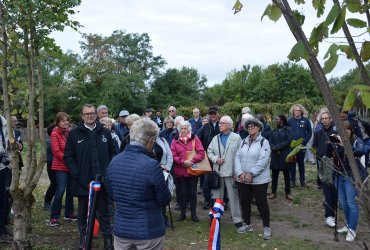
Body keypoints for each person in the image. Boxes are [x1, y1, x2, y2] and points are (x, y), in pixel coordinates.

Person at [105, 118, 171, 249]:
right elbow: (164, 199)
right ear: (151, 140)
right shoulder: (152, 165)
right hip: (148, 230)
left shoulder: (114, 161)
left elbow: (112, 193)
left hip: (122, 229)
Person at [64, 104, 115, 250]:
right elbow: (68, 156)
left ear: (96, 115)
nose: (90, 116)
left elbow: (112, 153)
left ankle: (108, 239)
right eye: (86, 114)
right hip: (83, 182)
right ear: (82, 116)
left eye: (92, 113)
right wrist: (77, 173)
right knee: (83, 212)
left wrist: (108, 171)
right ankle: (84, 239)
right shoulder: (74, 134)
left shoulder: (105, 132)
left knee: (104, 211)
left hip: (102, 181)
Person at [234, 117, 272, 240]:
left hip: (259, 180)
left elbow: (263, 160)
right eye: (248, 127)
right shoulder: (243, 141)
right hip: (243, 178)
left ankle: (266, 227)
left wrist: (251, 173)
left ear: (259, 128)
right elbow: (237, 157)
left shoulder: (263, 142)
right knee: (244, 201)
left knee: (261, 202)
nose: (250, 128)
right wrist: (240, 173)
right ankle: (248, 224)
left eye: (253, 126)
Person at [207, 116, 244, 233]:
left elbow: (240, 156)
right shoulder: (216, 138)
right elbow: (209, 151)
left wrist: (237, 172)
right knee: (217, 197)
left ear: (229, 125)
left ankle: (237, 220)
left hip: (231, 173)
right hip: (218, 172)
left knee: (234, 197)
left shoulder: (236, 138)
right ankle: (215, 218)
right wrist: (215, 159)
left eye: (222, 123)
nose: (219, 125)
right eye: (219, 123)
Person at [333, 121, 363, 242]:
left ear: (351, 130)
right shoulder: (337, 140)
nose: (345, 132)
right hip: (338, 175)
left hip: (350, 176)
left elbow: (362, 151)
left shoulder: (356, 141)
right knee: (343, 203)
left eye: (347, 130)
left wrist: (345, 146)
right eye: (342, 130)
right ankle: (348, 225)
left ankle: (352, 229)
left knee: (352, 203)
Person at [171, 120, 205, 222]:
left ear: (189, 129)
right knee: (182, 193)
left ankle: (194, 214)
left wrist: (192, 161)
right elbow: (172, 155)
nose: (184, 130)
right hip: (180, 171)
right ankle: (182, 213)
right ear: (179, 129)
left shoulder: (195, 138)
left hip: (192, 171)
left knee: (192, 193)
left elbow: (201, 153)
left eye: (185, 128)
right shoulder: (175, 140)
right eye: (181, 128)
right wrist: (182, 162)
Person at [49, 112, 77, 226]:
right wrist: (68, 160)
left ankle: (69, 213)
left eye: (67, 120)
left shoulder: (71, 133)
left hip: (71, 166)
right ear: (58, 122)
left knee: (71, 190)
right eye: (62, 120)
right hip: (61, 166)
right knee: (60, 191)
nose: (65, 122)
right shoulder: (55, 133)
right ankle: (54, 217)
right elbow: (56, 151)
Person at [312, 108, 337, 228]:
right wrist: (319, 154)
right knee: (327, 190)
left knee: (334, 192)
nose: (325, 121)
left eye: (326, 118)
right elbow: (314, 145)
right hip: (323, 163)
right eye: (322, 119)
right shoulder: (319, 131)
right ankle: (329, 216)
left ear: (330, 119)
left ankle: (334, 214)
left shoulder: (336, 131)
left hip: (335, 165)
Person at [199, 107, 220, 210]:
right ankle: (207, 200)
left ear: (218, 114)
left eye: (214, 113)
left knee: (220, 179)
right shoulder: (206, 126)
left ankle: (222, 201)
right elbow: (202, 141)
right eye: (210, 113)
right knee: (207, 180)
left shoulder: (222, 125)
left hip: (220, 157)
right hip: (207, 157)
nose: (212, 115)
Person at [268, 115, 293, 200]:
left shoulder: (288, 130)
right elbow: (270, 142)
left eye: (276, 119)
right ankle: (273, 192)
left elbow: (289, 141)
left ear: (281, 120)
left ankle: (288, 192)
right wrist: (274, 148)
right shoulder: (273, 131)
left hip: (284, 154)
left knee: (286, 175)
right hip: (275, 155)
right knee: (274, 175)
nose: (275, 120)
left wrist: (278, 147)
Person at [287, 104, 312, 187]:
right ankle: (292, 181)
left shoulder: (306, 120)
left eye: (298, 110)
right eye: (295, 110)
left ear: (301, 111)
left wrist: (304, 142)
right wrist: (290, 142)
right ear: (293, 111)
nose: (297, 112)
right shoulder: (290, 121)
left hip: (302, 146)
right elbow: (286, 132)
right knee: (292, 164)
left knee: (301, 163)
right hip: (292, 146)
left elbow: (309, 133)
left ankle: (302, 181)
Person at [152, 134, 173, 228]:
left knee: (163, 194)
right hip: (151, 170)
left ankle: (163, 216)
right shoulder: (145, 140)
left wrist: (167, 169)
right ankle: (155, 218)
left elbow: (169, 155)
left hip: (164, 172)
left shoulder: (163, 140)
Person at [0, 114, 12, 242]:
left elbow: (8, 141)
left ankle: (2, 229)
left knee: (3, 199)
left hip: (3, 167)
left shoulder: (4, 121)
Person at [44, 124, 57, 210]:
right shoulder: (49, 141)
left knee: (58, 184)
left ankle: (54, 201)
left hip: (57, 164)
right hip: (51, 164)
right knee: (54, 184)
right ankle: (47, 202)